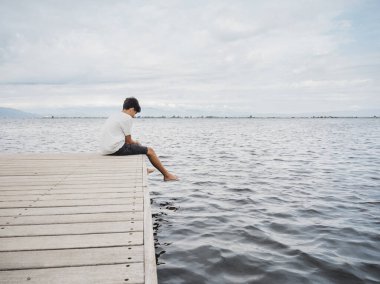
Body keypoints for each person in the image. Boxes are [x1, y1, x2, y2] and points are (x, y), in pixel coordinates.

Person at [100, 97, 178, 181]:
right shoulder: (127, 117)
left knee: (137, 147)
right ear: (132, 109)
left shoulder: (114, 116)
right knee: (150, 151)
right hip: (115, 149)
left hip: (105, 149)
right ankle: (167, 175)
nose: (134, 116)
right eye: (135, 113)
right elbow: (128, 141)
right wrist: (136, 142)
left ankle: (145, 169)